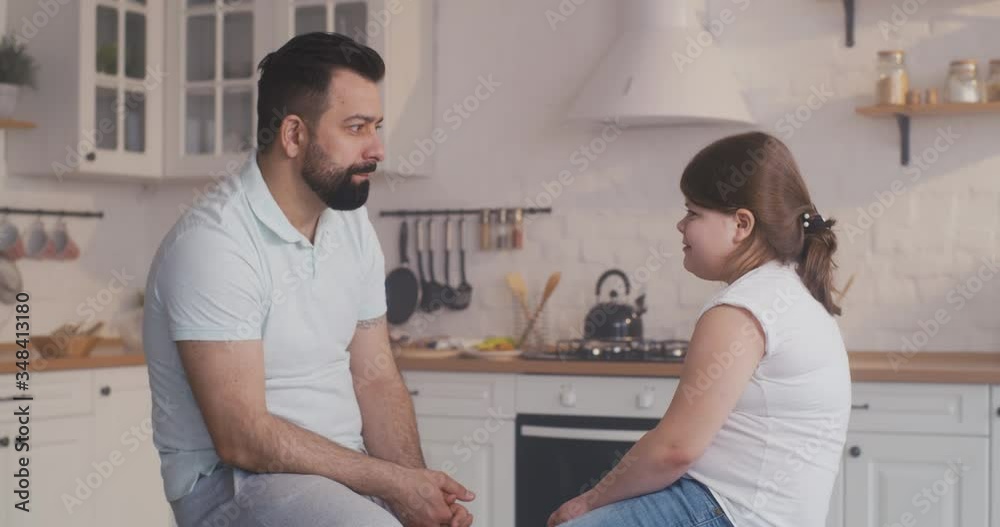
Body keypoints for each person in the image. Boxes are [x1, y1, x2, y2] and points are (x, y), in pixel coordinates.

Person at [143, 32, 474, 527]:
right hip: (234, 485)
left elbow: (376, 376)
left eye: (377, 127)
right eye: (357, 127)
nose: (378, 149)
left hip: (343, 471)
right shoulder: (214, 244)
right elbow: (241, 437)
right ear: (294, 135)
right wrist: (389, 483)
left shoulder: (350, 225)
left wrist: (415, 492)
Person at [548, 132, 852, 527]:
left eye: (693, 213)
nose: (681, 225)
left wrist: (587, 502)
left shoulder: (742, 309)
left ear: (741, 224)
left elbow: (674, 449)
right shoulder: (789, 289)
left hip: (726, 512)